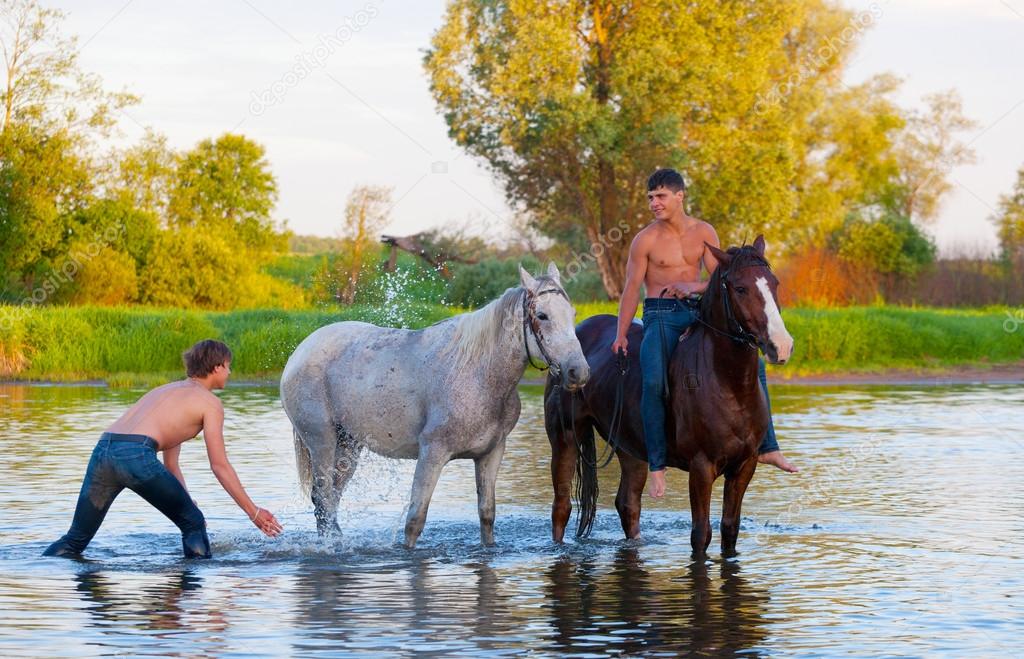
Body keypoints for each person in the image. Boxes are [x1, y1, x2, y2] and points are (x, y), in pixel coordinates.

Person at [611, 168, 798, 499]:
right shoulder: (645, 240)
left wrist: (691, 285)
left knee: (754, 363)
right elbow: (629, 290)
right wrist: (621, 333)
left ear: (679, 196)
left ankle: (768, 446)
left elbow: (720, 281)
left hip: (699, 312)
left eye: (660, 196)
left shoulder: (704, 232)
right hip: (661, 315)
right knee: (653, 380)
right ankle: (656, 465)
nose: (654, 203)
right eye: (650, 198)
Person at [43, 339, 282, 559]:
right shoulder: (210, 404)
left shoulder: (167, 391)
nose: (230, 372)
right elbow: (219, 465)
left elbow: (171, 465)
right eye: (229, 366)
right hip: (135, 455)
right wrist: (254, 512)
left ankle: (39, 572)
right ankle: (192, 593)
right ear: (218, 367)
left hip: (104, 450)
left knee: (75, 540)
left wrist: (187, 501)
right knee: (193, 524)